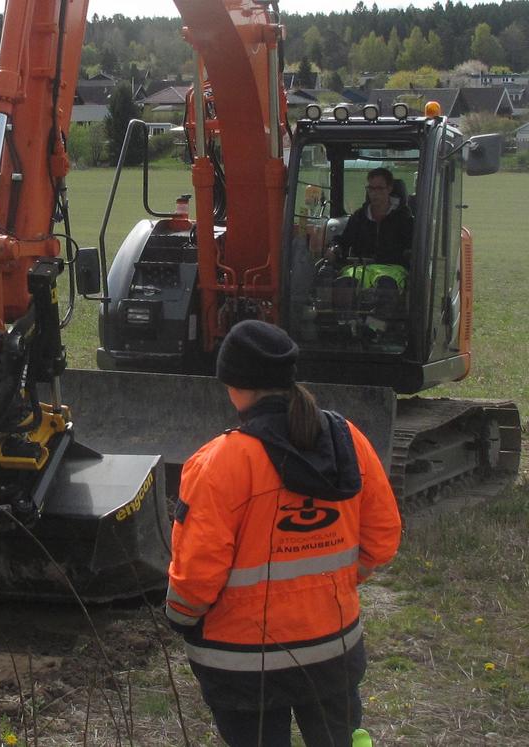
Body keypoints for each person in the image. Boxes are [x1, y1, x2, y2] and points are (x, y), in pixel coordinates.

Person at [166, 320, 402, 747]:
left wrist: (180, 618)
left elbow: (198, 573)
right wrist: (338, 582)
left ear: (234, 385)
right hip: (333, 650)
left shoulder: (218, 463)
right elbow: (383, 538)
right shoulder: (349, 440)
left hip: (241, 664)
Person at [332, 167, 413, 267]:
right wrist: (335, 248)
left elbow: (411, 249)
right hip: (360, 270)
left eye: (379, 188)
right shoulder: (359, 216)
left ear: (389, 189)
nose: (374, 193)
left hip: (392, 272)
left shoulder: (403, 218)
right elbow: (344, 241)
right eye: (371, 188)